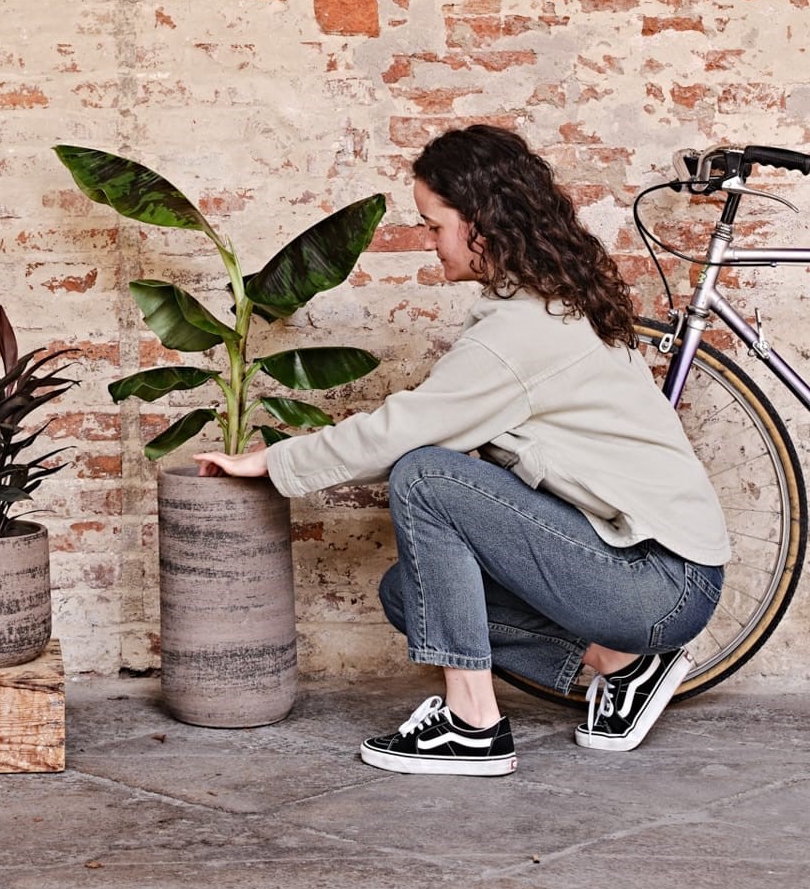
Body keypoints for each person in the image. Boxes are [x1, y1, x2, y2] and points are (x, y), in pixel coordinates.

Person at [195, 124, 728, 777]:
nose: (428, 242)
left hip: (660, 581)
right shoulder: (535, 301)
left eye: (434, 226)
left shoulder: (524, 331)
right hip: (643, 572)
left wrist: (272, 462)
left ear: (481, 222)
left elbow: (404, 430)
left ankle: (472, 725)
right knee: (411, 595)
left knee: (424, 474)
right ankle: (621, 662)